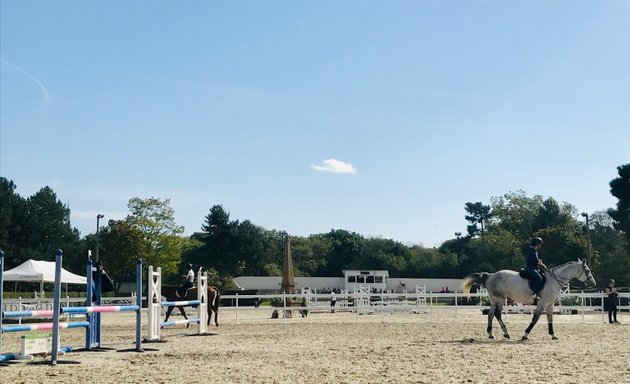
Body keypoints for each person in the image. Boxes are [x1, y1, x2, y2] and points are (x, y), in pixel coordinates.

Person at [525, 237, 547, 301]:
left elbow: (537, 260)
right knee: (539, 278)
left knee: (543, 276)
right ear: (537, 244)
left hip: (534, 267)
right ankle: (535, 294)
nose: (540, 246)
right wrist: (544, 266)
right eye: (540, 244)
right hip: (530, 268)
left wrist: (540, 262)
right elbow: (536, 261)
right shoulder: (531, 250)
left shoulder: (534, 250)